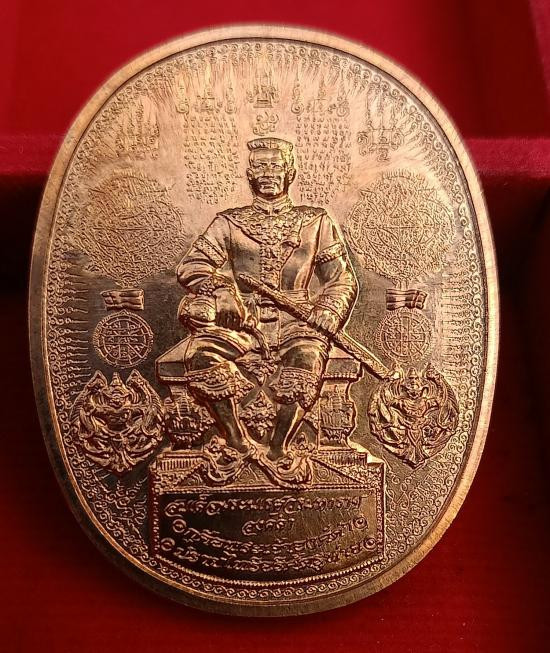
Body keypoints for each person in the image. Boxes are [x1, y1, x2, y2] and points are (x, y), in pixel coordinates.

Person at [175, 137, 357, 481]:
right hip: (243, 320)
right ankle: (237, 442)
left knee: (306, 356)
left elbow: (340, 279)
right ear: (249, 174)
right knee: (201, 354)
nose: (268, 172)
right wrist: (222, 290)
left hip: (297, 319)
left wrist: (328, 312)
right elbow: (191, 266)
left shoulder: (315, 222)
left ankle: (278, 449)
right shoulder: (229, 222)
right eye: (260, 166)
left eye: (275, 165)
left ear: (290, 172)